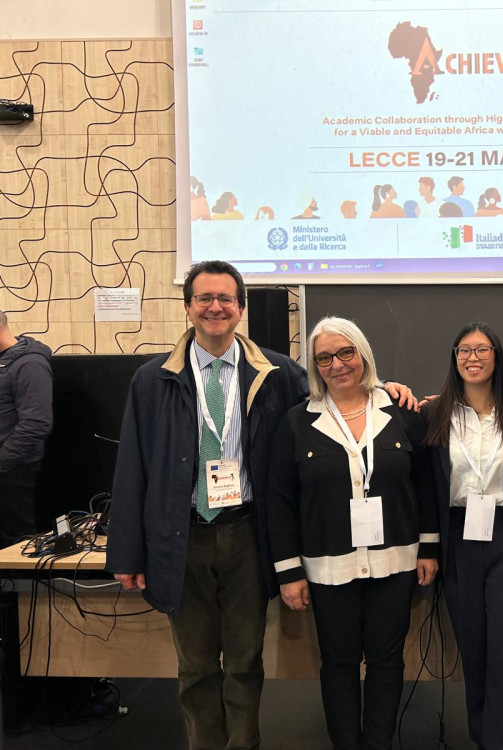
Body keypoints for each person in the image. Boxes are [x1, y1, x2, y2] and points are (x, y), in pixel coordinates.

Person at [107, 260, 414, 748]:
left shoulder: (277, 372)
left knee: (245, 662)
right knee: (195, 666)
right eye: (204, 298)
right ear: (188, 307)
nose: (215, 307)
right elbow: (132, 469)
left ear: (241, 308)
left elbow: (337, 390)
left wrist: (385, 389)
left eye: (225, 298)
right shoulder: (153, 379)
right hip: (181, 537)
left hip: (246, 533)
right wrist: (127, 552)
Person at [268, 316, 438, 749]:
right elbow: (280, 500)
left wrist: (429, 547)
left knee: (386, 663)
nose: (337, 364)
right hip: (328, 568)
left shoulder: (402, 413)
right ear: (314, 366)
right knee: (339, 664)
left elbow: (425, 484)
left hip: (395, 562)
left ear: (363, 354)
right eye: (324, 358)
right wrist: (289, 572)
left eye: (346, 353)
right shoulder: (296, 422)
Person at [423, 323, 503, 749]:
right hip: (458, 539)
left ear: (497, 356)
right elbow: (424, 485)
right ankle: (483, 738)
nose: (472, 358)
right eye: (464, 350)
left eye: (482, 349)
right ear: (454, 358)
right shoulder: (432, 414)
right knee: (472, 651)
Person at [0, 310, 52, 548]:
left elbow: (36, 424)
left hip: (13, 471)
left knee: (13, 545)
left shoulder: (30, 363)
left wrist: (2, 461)